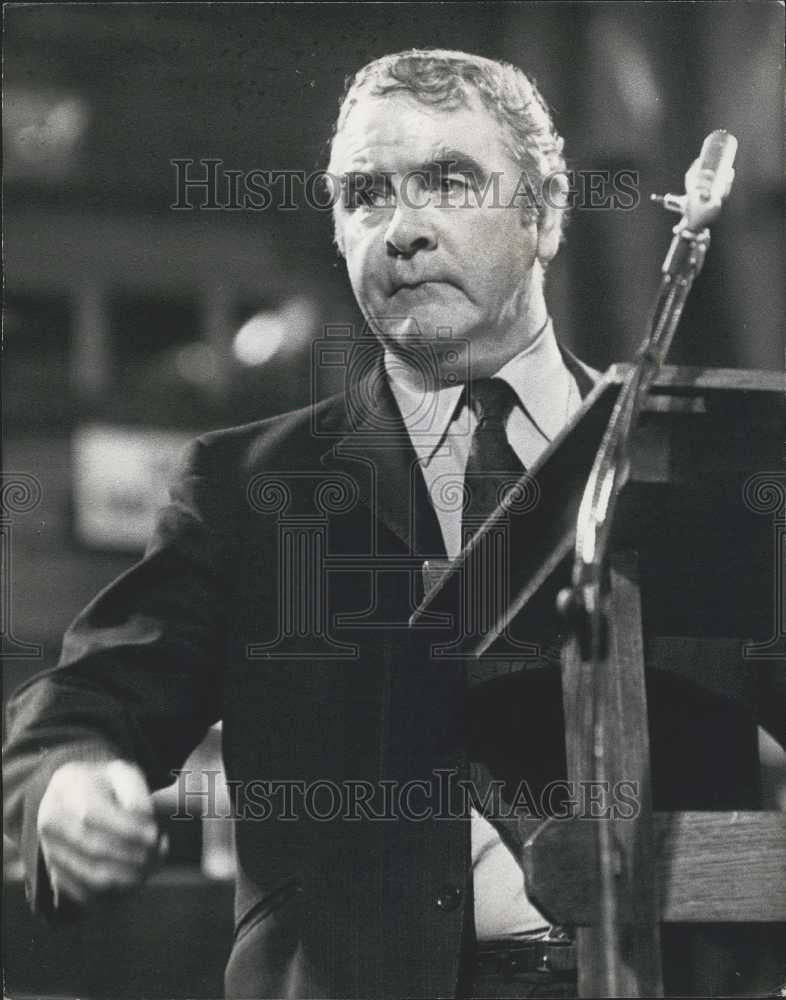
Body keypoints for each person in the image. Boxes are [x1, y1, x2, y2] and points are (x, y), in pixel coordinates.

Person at [2, 49, 777, 1000]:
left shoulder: (690, 460)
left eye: (448, 181)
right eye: (366, 193)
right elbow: (83, 710)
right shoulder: (250, 487)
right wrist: (71, 790)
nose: (402, 230)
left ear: (540, 213)